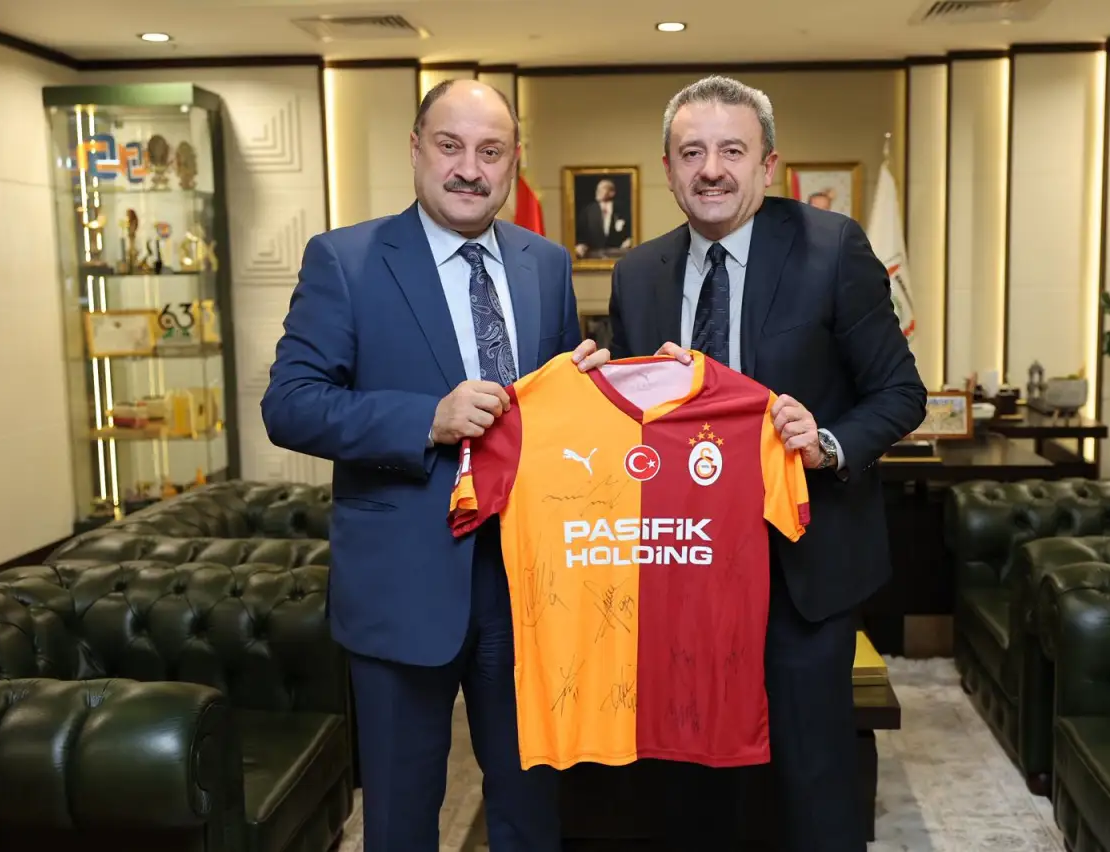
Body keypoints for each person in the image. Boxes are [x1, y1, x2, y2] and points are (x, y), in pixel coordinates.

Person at [261, 78, 608, 852]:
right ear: (416, 149)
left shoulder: (547, 264)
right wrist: (426, 418)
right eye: (451, 146)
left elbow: (550, 415)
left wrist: (589, 396)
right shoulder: (346, 260)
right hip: (402, 585)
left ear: (514, 160)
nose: (470, 169)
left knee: (530, 812)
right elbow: (290, 404)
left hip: (528, 586)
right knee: (401, 819)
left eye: (491, 152)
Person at [607, 75, 927, 851]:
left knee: (811, 777)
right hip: (683, 572)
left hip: (802, 566)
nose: (711, 169)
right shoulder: (637, 273)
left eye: (732, 150)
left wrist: (826, 442)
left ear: (769, 164)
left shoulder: (832, 248)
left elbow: (899, 392)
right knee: (689, 777)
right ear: (668, 168)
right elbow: (630, 420)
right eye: (692, 153)